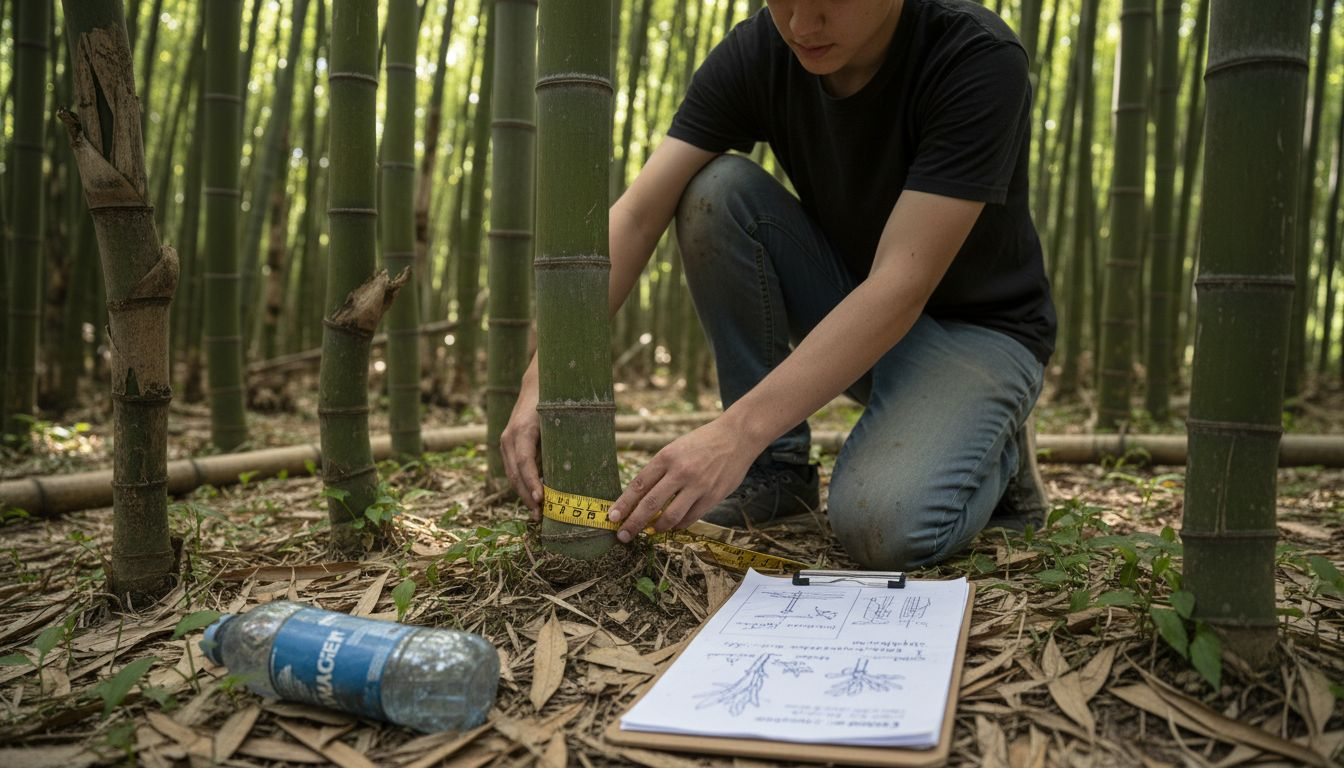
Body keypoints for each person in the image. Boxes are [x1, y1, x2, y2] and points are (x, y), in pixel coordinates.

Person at [501, 0, 1056, 570]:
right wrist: (543, 375)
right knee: (715, 192)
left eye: (826, 4)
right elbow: (641, 213)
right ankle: (776, 468)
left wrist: (734, 433)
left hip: (980, 333)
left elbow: (901, 283)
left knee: (883, 528)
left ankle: (998, 449)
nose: (800, 26)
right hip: (851, 311)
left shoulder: (975, 56)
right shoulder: (762, 49)